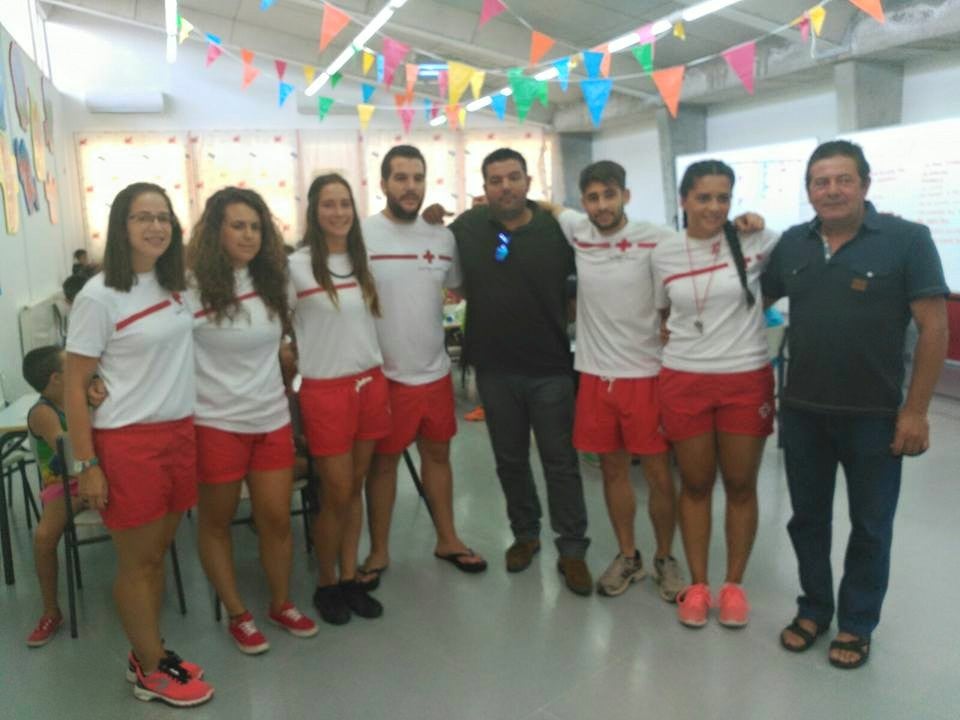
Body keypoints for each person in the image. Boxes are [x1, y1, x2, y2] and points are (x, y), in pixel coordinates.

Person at [762, 140, 949, 669]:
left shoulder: (907, 239)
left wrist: (914, 412)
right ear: (809, 191)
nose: (832, 190)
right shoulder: (794, 244)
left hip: (875, 417)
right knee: (807, 520)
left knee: (870, 525)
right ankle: (814, 608)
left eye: (843, 179)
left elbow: (934, 328)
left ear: (865, 185)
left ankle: (858, 622)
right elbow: (759, 297)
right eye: (820, 181)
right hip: (802, 412)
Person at [64, 182, 213, 707]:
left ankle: (147, 652)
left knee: (156, 555)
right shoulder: (99, 296)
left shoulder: (180, 286)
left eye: (164, 217)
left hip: (179, 434)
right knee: (139, 563)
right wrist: (88, 464)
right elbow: (75, 387)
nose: (155, 226)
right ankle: (151, 670)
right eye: (142, 217)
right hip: (129, 443)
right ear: (120, 226)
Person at [447, 148, 591, 596]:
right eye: (495, 180)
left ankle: (571, 548)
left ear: (529, 182)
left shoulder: (557, 229)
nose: (505, 186)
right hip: (493, 368)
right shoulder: (467, 230)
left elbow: (603, 249)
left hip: (550, 367)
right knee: (509, 461)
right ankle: (525, 535)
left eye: (513, 177)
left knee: (560, 463)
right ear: (484, 187)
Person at [538, 160, 685, 600]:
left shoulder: (657, 237)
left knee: (659, 475)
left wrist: (744, 227)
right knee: (613, 471)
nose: (602, 205)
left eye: (610, 195)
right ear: (583, 202)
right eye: (593, 197)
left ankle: (664, 557)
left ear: (625, 195)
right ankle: (629, 556)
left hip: (645, 375)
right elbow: (546, 206)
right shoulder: (578, 229)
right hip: (595, 376)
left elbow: (698, 252)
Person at [186, 187, 317, 653]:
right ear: (215, 230)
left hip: (271, 419)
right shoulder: (189, 286)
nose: (248, 235)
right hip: (215, 423)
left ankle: (281, 603)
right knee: (217, 523)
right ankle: (239, 615)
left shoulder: (274, 281)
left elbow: (287, 337)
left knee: (276, 519)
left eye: (256, 227)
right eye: (237, 225)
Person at [651, 160, 779, 629]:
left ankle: (733, 586)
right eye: (703, 197)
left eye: (723, 197)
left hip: (745, 377)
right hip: (684, 378)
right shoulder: (664, 254)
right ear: (684, 200)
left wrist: (756, 223)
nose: (714, 207)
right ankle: (699, 585)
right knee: (697, 484)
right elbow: (663, 314)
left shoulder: (756, 242)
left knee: (742, 485)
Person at [359, 145, 486, 587]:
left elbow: (459, 288)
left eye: (417, 177)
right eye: (400, 177)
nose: (410, 186)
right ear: (383, 184)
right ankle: (377, 550)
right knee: (384, 464)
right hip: (385, 373)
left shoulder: (441, 237)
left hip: (434, 370)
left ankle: (447, 538)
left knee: (438, 457)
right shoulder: (363, 235)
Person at [288, 174, 389, 625]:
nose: (339, 212)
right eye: (328, 204)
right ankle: (326, 581)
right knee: (337, 493)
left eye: (345, 203)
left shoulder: (362, 260)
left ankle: (350, 576)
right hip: (325, 391)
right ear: (314, 211)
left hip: (370, 383)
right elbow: (274, 326)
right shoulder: (296, 265)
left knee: (359, 485)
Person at [22, 347, 78, 647]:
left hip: (97, 475)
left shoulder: (79, 395)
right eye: (71, 366)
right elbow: (69, 454)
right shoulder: (44, 412)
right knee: (44, 537)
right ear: (56, 379)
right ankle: (50, 611)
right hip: (66, 486)